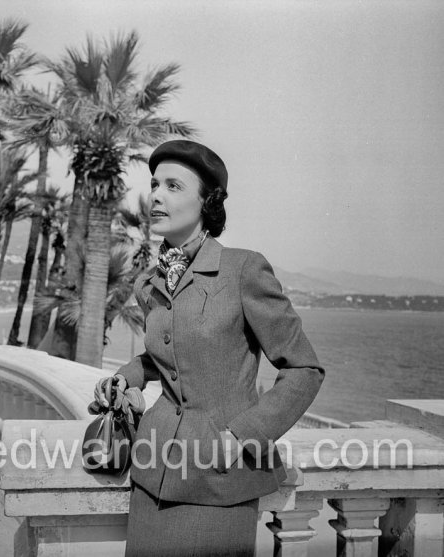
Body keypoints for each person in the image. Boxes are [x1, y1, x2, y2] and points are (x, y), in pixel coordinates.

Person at [93, 139, 325, 557]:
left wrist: (242, 437)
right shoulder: (151, 281)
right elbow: (167, 353)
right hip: (151, 474)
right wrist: (124, 377)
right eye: (155, 184)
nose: (157, 195)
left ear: (207, 203)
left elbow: (304, 370)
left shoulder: (243, 270)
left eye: (174, 186)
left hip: (220, 481)